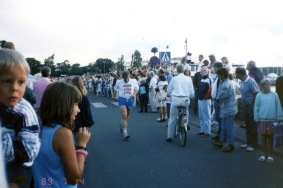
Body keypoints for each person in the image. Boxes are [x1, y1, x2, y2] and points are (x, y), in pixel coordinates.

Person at [32, 82, 91, 187]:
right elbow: (74, 179)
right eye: (76, 104)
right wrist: (82, 146)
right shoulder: (63, 134)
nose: (78, 110)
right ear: (64, 105)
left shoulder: (36, 129)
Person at [0, 49, 41, 187]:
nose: (14, 88)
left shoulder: (24, 111)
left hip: (17, 169)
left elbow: (31, 149)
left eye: (21, 82)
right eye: (7, 81)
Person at [254, 79, 283, 162]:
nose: (269, 86)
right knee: (263, 138)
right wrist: (256, 118)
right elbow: (256, 107)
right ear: (262, 86)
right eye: (266, 85)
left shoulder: (274, 95)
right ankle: (264, 154)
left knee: (271, 138)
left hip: (272, 120)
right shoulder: (259, 95)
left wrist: (279, 117)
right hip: (262, 120)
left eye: (269, 85)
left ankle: (270, 155)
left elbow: (278, 106)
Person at [166, 64, 195, 142]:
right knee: (185, 112)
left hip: (175, 99)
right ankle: (185, 123)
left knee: (172, 118)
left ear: (177, 70)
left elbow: (169, 91)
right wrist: (190, 97)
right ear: (184, 70)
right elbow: (192, 93)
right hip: (185, 100)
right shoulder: (189, 79)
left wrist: (168, 95)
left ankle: (170, 136)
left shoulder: (174, 79)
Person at [212, 68, 237, 152]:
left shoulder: (226, 84)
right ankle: (222, 141)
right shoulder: (224, 82)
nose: (218, 77)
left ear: (222, 75)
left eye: (218, 75)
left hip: (229, 109)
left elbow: (220, 95)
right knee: (223, 126)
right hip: (225, 108)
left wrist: (218, 98)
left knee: (229, 127)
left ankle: (231, 144)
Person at [235, 67, 259, 151]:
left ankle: (253, 144)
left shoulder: (251, 81)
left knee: (253, 125)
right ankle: (248, 142)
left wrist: (253, 105)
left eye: (236, 74)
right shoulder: (241, 82)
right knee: (248, 125)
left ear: (241, 74)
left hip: (251, 106)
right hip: (245, 105)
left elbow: (257, 93)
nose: (235, 75)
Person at [114, 71, 139, 140]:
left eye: (128, 78)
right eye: (125, 79)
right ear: (123, 77)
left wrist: (134, 94)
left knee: (126, 117)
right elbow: (115, 89)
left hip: (130, 100)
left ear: (129, 76)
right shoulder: (119, 82)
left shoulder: (133, 81)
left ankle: (122, 125)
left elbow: (136, 89)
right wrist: (115, 96)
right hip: (122, 99)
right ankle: (125, 133)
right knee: (124, 116)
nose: (127, 80)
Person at [210, 62, 224, 142]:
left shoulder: (220, 78)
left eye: (214, 68)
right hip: (215, 99)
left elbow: (220, 90)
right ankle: (219, 135)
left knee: (220, 119)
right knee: (218, 119)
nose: (213, 69)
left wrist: (218, 100)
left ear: (218, 67)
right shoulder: (217, 77)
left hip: (218, 100)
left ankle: (220, 136)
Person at [197, 66, 212, 138]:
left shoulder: (208, 80)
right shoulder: (202, 79)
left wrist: (204, 97)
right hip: (201, 99)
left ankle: (207, 132)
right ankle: (202, 130)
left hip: (205, 100)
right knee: (201, 116)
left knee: (206, 116)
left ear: (205, 71)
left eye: (202, 71)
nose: (200, 72)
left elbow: (209, 90)